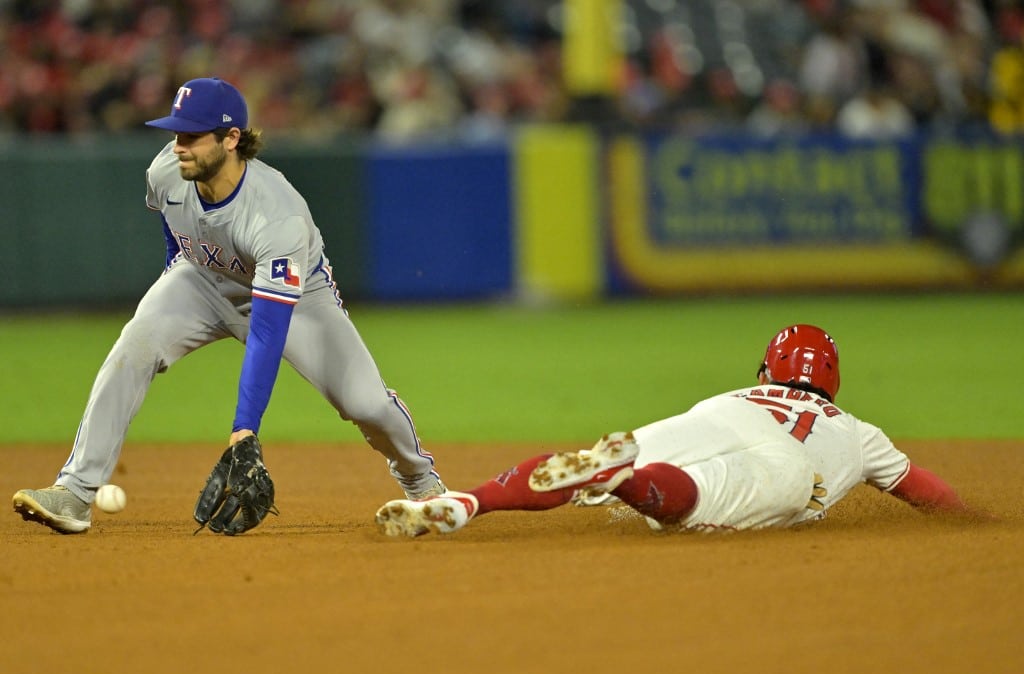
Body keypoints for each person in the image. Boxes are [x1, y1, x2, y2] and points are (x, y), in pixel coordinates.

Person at [13, 77, 445, 535]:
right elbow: (174, 232)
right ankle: (76, 492)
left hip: (298, 301)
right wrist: (170, 284)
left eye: (192, 136)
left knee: (365, 403)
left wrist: (245, 429)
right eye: (175, 133)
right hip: (201, 280)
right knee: (133, 346)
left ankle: (423, 483)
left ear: (232, 138)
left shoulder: (278, 216)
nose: (179, 146)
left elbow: (267, 329)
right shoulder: (166, 172)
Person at [375, 324, 974, 538]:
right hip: (790, 465)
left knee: (597, 457)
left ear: (768, 370)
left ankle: (467, 502)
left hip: (713, 416)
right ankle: (629, 481)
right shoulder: (861, 433)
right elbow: (925, 491)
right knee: (692, 498)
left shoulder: (738, 391)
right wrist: (976, 522)